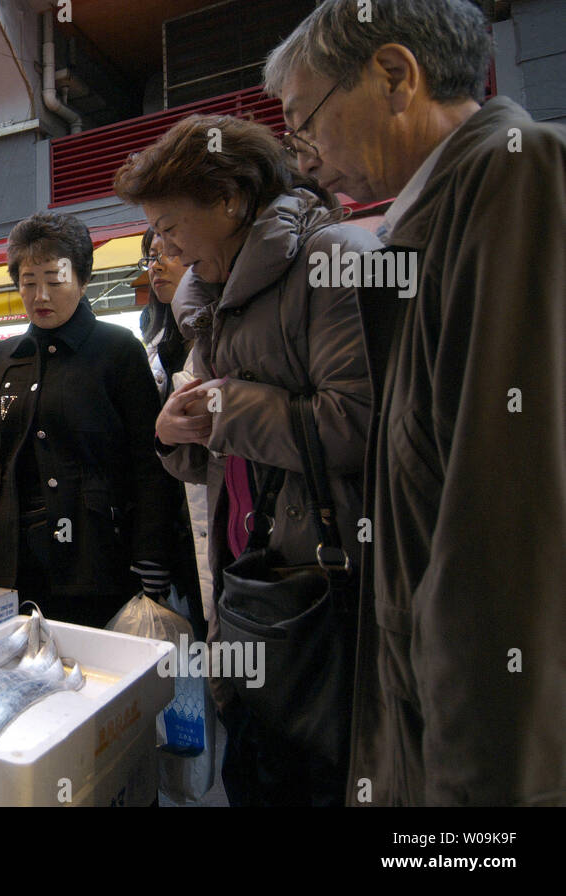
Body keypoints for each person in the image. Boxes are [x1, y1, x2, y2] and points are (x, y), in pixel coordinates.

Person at [265, 0, 566, 807]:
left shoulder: (516, 178)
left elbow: (509, 536)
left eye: (306, 121)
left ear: (396, 76)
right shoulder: (432, 222)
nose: (307, 157)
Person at [115, 113, 378, 806]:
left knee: (317, 772)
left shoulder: (332, 260)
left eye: (170, 225)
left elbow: (355, 423)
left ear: (230, 198)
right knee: (252, 770)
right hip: (243, 579)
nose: (162, 244)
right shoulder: (210, 299)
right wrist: (176, 436)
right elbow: (225, 451)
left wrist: (224, 409)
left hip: (321, 587)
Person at [0, 212, 182, 629]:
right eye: (27, 282)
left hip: (98, 555)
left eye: (54, 281)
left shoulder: (118, 350)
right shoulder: (7, 357)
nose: (40, 295)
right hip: (15, 557)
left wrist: (152, 550)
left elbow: (148, 457)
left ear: (83, 278)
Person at [141, 227, 213, 639]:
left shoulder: (211, 337)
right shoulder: (154, 343)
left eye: (171, 250)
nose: (158, 264)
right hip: (174, 520)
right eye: (152, 254)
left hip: (210, 507)